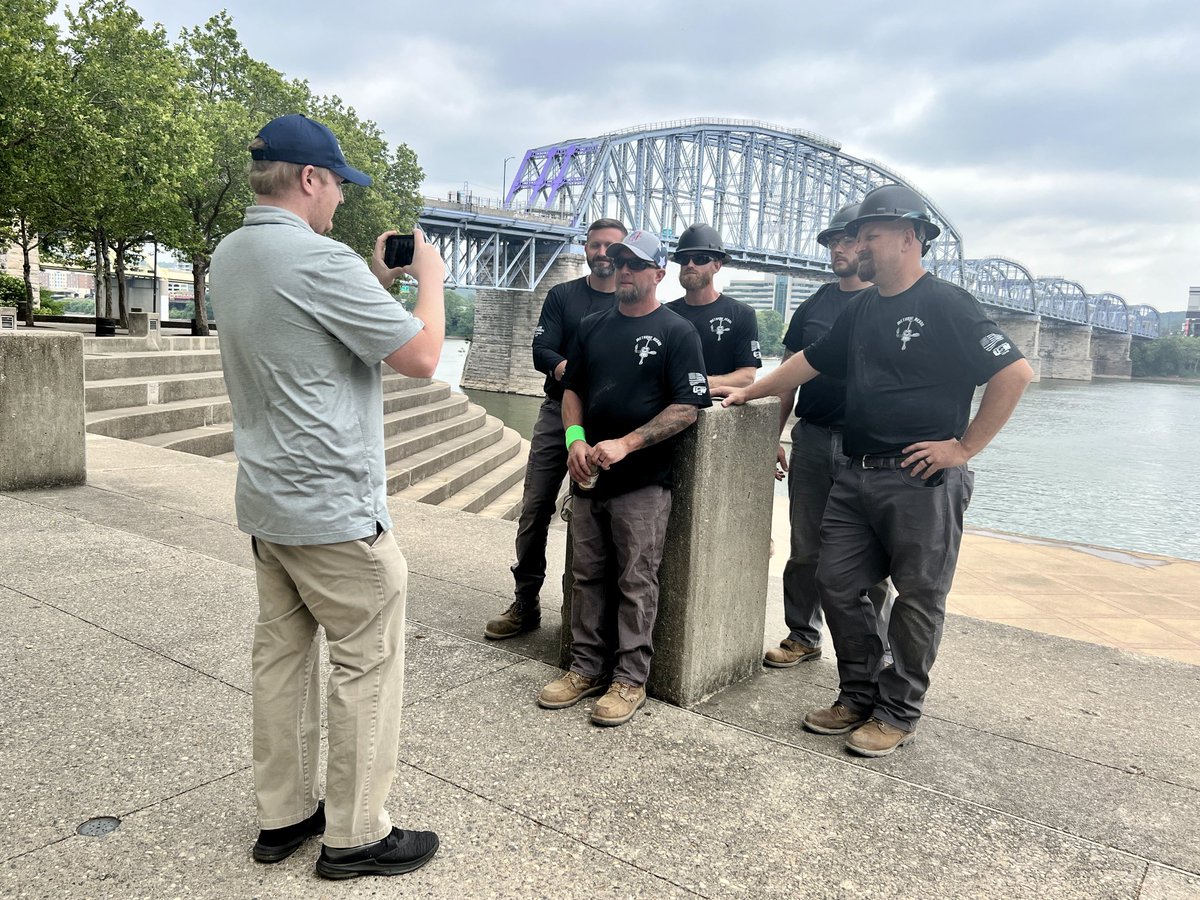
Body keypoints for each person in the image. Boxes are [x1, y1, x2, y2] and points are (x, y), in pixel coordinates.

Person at [718, 184, 1034, 757]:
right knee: (836, 581)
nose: (859, 243)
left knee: (917, 596)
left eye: (871, 234)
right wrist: (751, 395)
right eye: (858, 235)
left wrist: (963, 448)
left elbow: (1014, 373)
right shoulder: (861, 307)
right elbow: (809, 363)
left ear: (910, 239)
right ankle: (858, 691)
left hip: (922, 480)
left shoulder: (948, 303)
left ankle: (897, 710)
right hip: (856, 473)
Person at [209, 113, 445, 879]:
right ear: (309, 178)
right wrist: (430, 282)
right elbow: (421, 356)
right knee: (365, 665)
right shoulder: (320, 260)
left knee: (280, 660)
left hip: (268, 506)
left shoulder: (231, 254)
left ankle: (282, 818)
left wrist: (373, 284)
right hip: (337, 515)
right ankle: (355, 835)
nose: (342, 200)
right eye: (339, 183)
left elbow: (304, 329)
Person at [536, 230, 711, 727]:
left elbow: (687, 409)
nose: (623, 271)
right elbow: (573, 390)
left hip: (642, 482)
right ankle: (585, 668)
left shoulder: (679, 332)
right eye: (618, 262)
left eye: (635, 264)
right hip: (589, 475)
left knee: (636, 579)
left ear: (659, 273)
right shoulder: (591, 326)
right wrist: (574, 439)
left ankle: (630, 679)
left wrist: (626, 444)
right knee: (586, 574)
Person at [484, 219, 627, 640]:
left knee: (601, 518)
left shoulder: (635, 299)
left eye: (611, 248)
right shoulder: (563, 296)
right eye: (595, 245)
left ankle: (584, 617)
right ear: (585, 248)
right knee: (534, 509)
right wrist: (577, 375)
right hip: (558, 413)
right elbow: (541, 350)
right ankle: (525, 602)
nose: (603, 254)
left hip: (612, 423)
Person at [766, 203, 891, 668]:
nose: (838, 249)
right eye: (831, 242)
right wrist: (773, 436)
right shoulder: (814, 305)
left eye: (846, 240)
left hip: (870, 447)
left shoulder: (889, 302)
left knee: (873, 558)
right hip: (815, 439)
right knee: (805, 547)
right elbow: (788, 375)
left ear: (863, 244)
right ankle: (803, 634)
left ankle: (872, 648)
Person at [664, 223, 760, 388]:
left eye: (700, 259)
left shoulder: (742, 314)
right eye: (684, 259)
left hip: (716, 409)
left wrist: (700, 383)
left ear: (717, 265)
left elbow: (747, 376)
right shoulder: (665, 314)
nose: (690, 265)